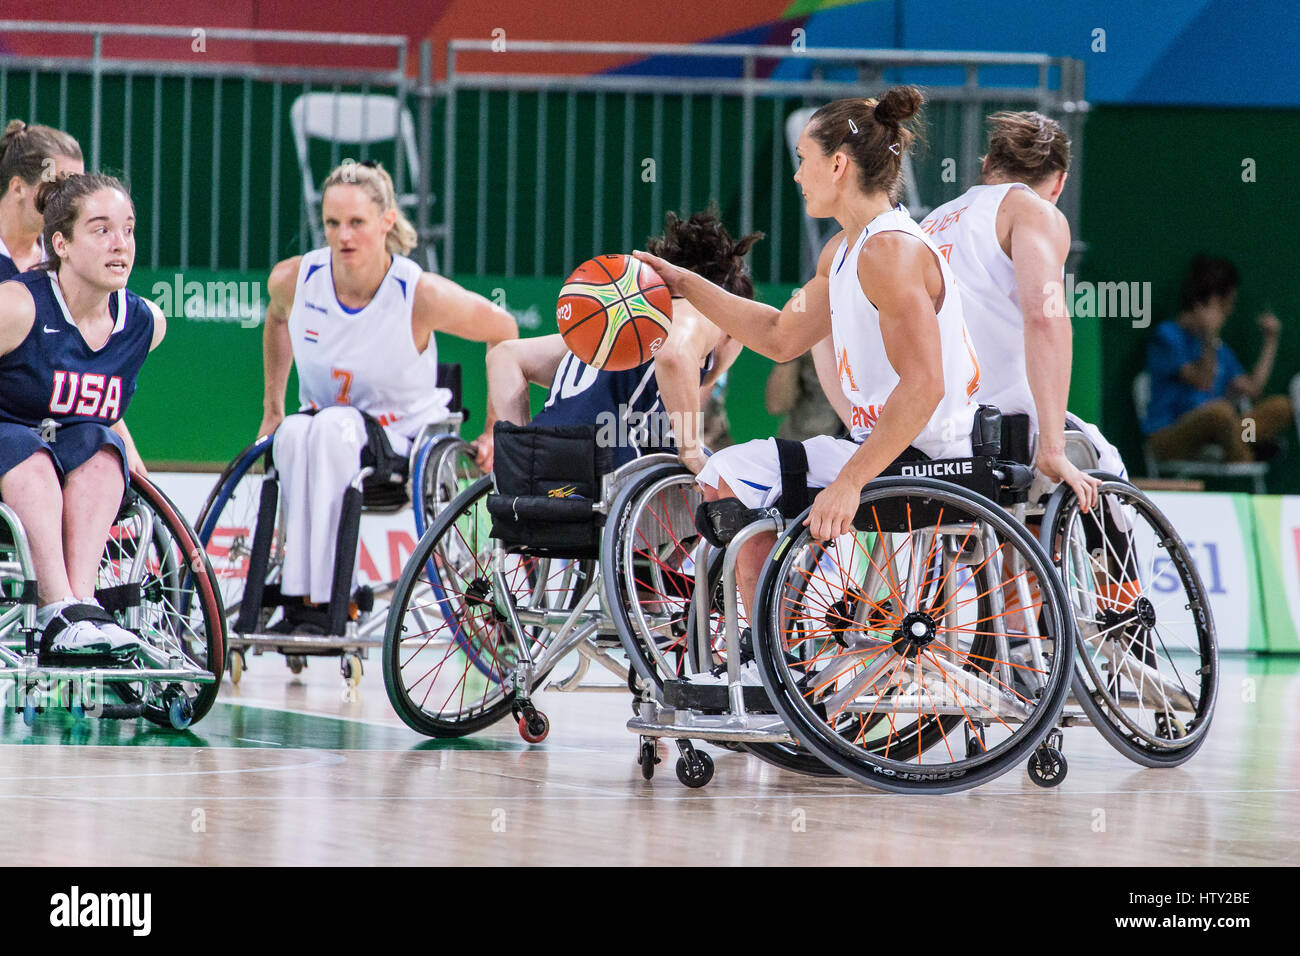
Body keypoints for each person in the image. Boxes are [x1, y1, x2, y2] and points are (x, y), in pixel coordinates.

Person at [636, 86, 981, 609]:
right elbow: (780, 337)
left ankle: (764, 647)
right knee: (727, 472)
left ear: (838, 164)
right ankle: (776, 638)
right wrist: (688, 285)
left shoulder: (889, 251)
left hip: (931, 456)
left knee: (731, 474)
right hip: (886, 450)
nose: (796, 175)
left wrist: (849, 481)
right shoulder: (843, 250)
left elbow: (926, 384)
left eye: (803, 160)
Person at [259, 160, 517, 619]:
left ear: (386, 222)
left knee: (334, 427)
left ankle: (329, 596)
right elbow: (277, 318)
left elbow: (504, 329)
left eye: (356, 223)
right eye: (333, 224)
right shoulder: (295, 279)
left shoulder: (419, 293)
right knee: (294, 434)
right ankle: (298, 593)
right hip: (319, 429)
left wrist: (496, 429)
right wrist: (273, 407)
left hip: (402, 441)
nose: (343, 237)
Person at [920, 110, 1125, 511]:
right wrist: (1052, 445)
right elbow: (1045, 318)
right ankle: (1116, 575)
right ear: (1060, 183)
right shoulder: (1033, 211)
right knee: (1106, 476)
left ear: (986, 166)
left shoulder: (928, 223)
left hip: (921, 427)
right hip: (997, 428)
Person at [0, 173, 165, 654]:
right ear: (62, 244)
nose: (121, 244)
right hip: (12, 453)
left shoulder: (145, 325)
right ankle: (58, 609)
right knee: (27, 452)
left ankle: (83, 606)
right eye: (101, 230)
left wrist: (125, 440)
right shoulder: (17, 307)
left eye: (129, 229)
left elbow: (91, 399)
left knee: (103, 449)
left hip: (62, 450)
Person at [475, 208, 756, 475]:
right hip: (603, 461)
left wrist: (522, 449)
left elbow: (504, 356)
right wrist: (691, 450)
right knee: (716, 475)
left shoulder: (621, 323)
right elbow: (671, 354)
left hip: (546, 454)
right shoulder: (703, 313)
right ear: (733, 330)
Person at [1143, 255, 1289, 464]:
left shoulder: (1219, 349)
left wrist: (1270, 341)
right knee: (1219, 413)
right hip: (1171, 437)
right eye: (1225, 304)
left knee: (1280, 407)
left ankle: (1243, 443)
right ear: (1205, 303)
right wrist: (1210, 336)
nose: (1229, 311)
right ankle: (1247, 455)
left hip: (1221, 435)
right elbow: (1203, 382)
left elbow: (1252, 388)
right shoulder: (1166, 336)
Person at [0, 120, 85, 279]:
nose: (70, 199)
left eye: (75, 187)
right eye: (57, 185)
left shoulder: (67, 260)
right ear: (18, 187)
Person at [764, 339, 846, 441]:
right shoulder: (806, 335)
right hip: (805, 442)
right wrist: (791, 351)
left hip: (860, 442)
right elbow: (777, 405)